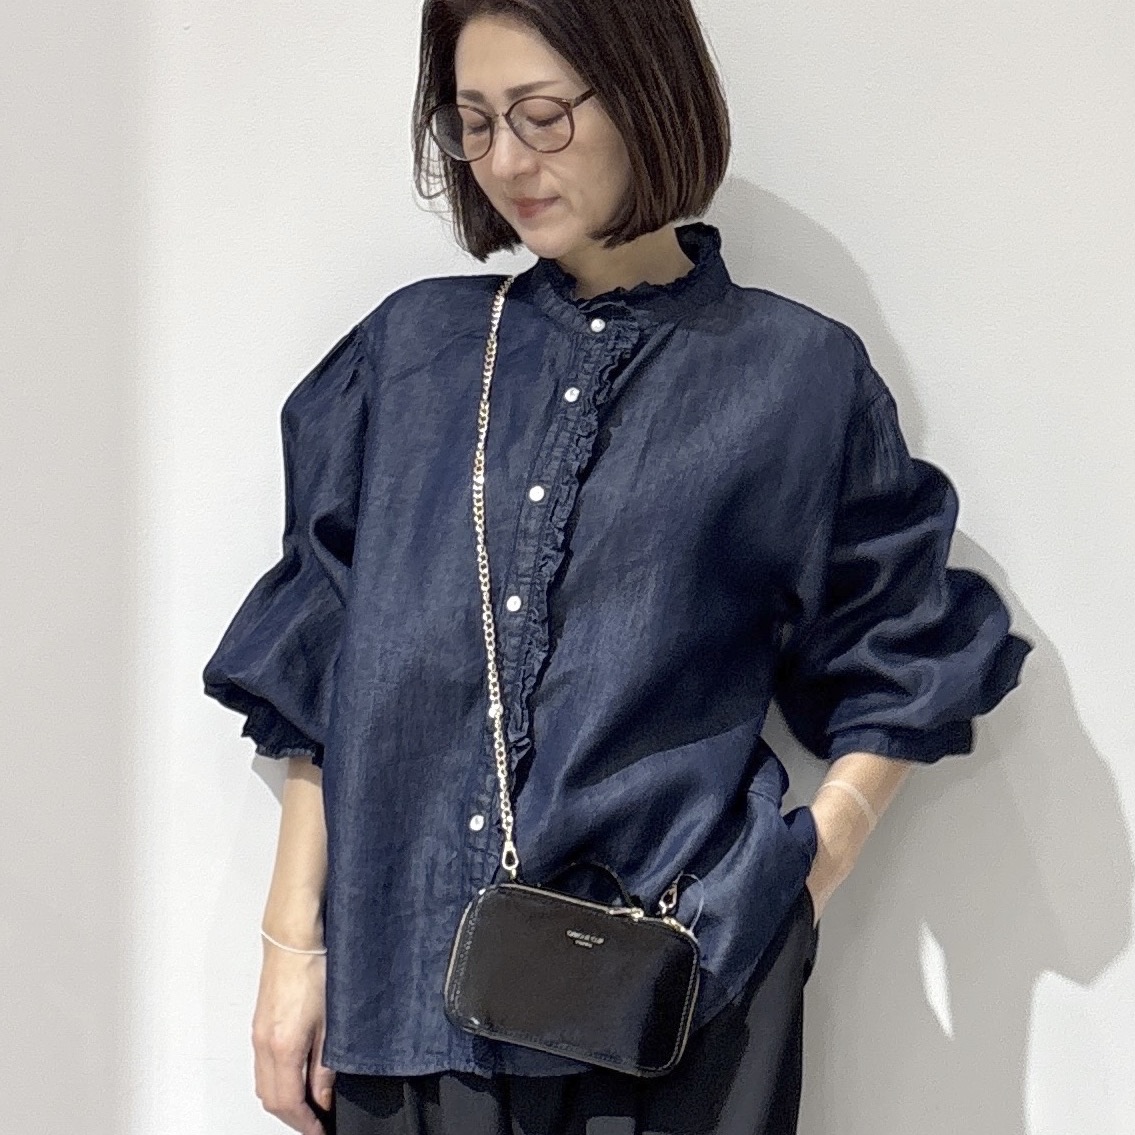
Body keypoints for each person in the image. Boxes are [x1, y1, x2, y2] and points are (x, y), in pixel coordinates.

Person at [201, 2, 1033, 1132]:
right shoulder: (412, 356)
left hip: (671, 1008)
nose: (505, 162)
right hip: (402, 999)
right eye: (472, 122)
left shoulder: (793, 375)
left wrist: (800, 875)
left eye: (541, 116)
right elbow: (324, 665)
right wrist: (289, 945)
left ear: (645, 94)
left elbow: (904, 647)